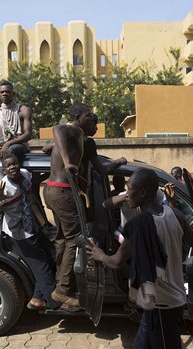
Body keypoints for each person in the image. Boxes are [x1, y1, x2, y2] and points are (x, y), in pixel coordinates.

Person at [87, 168, 193, 349]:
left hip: (162, 306)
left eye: (129, 189)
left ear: (143, 193)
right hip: (168, 302)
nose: (127, 194)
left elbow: (117, 262)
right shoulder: (176, 214)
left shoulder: (138, 225)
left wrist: (100, 255)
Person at [43, 103, 126, 307]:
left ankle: (59, 281)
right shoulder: (72, 130)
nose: (94, 121)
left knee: (63, 238)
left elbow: (101, 169)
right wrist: (67, 161)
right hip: (63, 191)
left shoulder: (85, 142)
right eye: (90, 117)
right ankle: (62, 290)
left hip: (52, 191)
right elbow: (58, 129)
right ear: (78, 117)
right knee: (75, 238)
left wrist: (118, 162)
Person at [0, 155, 62, 311]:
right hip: (19, 233)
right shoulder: (3, 186)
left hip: (34, 227)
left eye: (14, 163)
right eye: (8, 166)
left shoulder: (25, 174)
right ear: (3, 170)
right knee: (41, 266)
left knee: (53, 256)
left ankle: (37, 298)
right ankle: (55, 303)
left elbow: (33, 185)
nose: (12, 167)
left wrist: (53, 171)